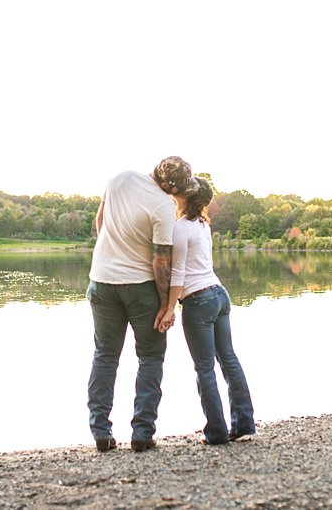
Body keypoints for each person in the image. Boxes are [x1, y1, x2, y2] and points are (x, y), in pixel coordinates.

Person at [86, 156, 199, 452]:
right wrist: (166, 305)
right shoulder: (163, 205)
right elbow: (161, 260)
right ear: (169, 185)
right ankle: (142, 432)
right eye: (178, 189)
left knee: (105, 356)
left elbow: (99, 221)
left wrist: (112, 256)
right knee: (150, 357)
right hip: (140, 289)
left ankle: (101, 431)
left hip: (102, 281)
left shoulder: (120, 178)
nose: (178, 195)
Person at [155, 177, 255, 445]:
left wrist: (169, 310)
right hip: (220, 294)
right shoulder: (202, 225)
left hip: (199, 300)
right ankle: (243, 424)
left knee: (204, 368)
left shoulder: (180, 228)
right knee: (229, 359)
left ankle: (217, 433)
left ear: (187, 196)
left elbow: (178, 274)